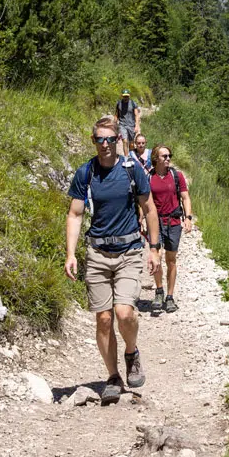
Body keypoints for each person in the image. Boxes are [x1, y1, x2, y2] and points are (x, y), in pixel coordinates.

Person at [65, 115, 161, 403]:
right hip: (97, 254)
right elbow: (75, 214)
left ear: (119, 140)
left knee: (124, 313)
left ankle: (131, 351)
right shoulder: (86, 173)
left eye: (110, 139)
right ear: (94, 141)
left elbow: (150, 209)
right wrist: (70, 254)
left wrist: (154, 248)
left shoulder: (133, 171)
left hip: (129, 252)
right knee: (104, 319)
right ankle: (113, 376)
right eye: (99, 139)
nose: (104, 144)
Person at [149, 144, 193, 315]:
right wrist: (142, 218)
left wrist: (188, 218)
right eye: (164, 156)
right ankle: (159, 291)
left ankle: (170, 296)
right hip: (156, 222)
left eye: (169, 156)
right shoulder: (148, 177)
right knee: (157, 256)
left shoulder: (177, 176)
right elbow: (144, 200)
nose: (168, 159)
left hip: (173, 221)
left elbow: (185, 197)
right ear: (156, 159)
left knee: (171, 259)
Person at [115, 90, 140, 156]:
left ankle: (132, 156)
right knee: (125, 141)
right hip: (122, 125)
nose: (125, 98)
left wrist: (137, 126)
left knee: (131, 144)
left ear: (129, 96)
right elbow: (116, 115)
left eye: (127, 96)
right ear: (122, 96)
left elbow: (136, 115)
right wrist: (114, 124)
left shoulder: (133, 103)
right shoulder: (119, 104)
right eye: (124, 96)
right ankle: (126, 157)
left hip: (131, 125)